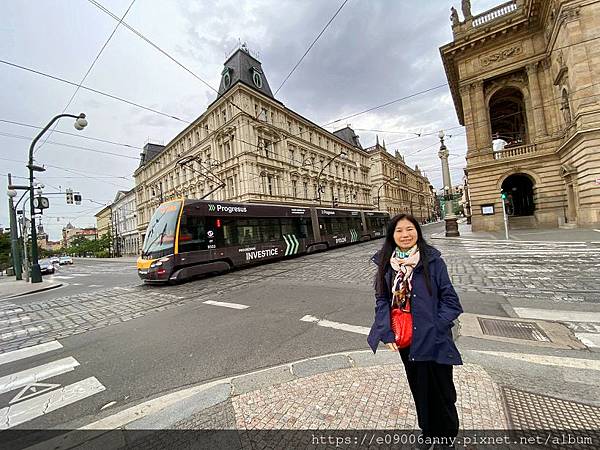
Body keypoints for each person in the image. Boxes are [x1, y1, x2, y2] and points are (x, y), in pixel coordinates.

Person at [367, 214, 463, 449]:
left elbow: (452, 303)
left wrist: (436, 325)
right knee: (419, 387)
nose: (405, 235)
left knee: (442, 389)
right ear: (392, 236)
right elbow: (382, 300)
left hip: (435, 337)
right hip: (407, 337)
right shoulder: (387, 266)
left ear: (418, 232)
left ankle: (446, 437)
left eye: (410, 229)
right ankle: (428, 432)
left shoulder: (432, 262)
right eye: (399, 231)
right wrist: (386, 331)